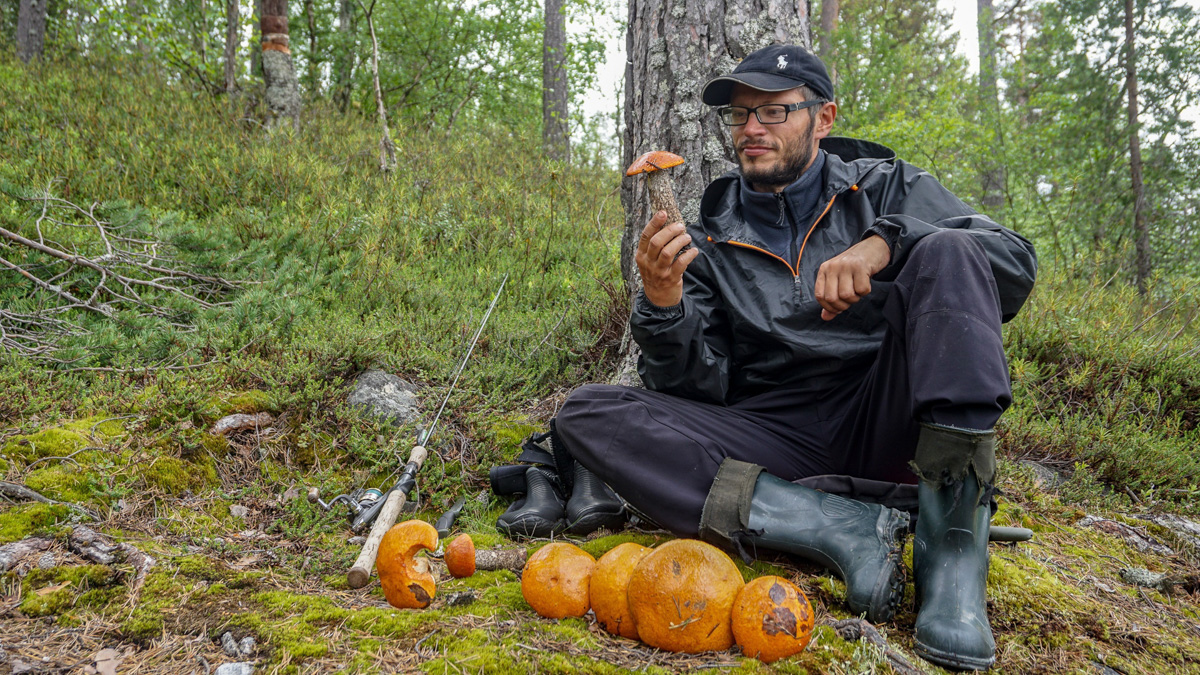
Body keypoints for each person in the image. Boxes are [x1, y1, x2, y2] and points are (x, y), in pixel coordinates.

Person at [499, 44, 1036, 671]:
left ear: (824, 117)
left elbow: (1013, 263)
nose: (751, 129)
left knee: (951, 249)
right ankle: (840, 526)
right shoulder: (711, 236)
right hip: (777, 432)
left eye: (774, 112)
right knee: (589, 413)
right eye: (739, 115)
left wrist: (884, 244)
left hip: (888, 413)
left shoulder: (884, 186)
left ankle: (952, 567)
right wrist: (663, 302)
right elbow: (695, 389)